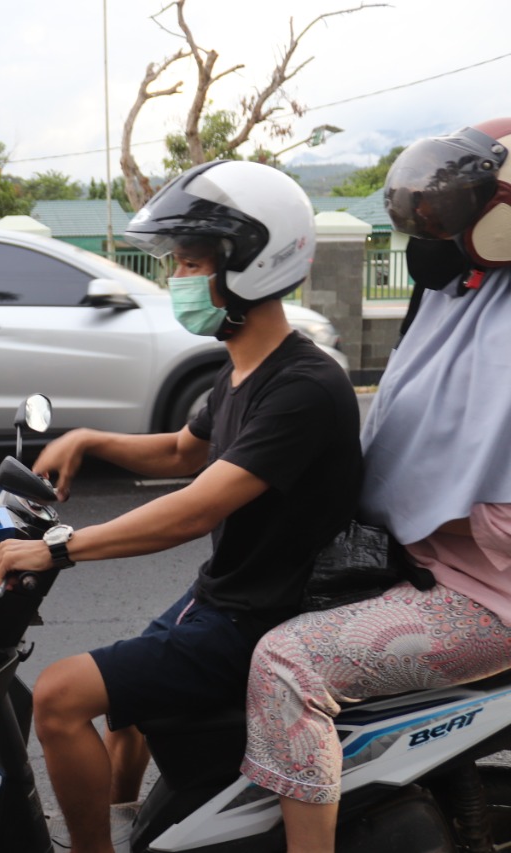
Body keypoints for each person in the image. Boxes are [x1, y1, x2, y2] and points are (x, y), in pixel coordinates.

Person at [0, 160, 363, 853]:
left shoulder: (304, 388)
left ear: (250, 264)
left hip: (266, 617)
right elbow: (185, 453)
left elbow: (195, 506)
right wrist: (92, 439)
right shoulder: (242, 368)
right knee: (124, 700)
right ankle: (131, 821)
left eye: (191, 264)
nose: (176, 280)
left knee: (60, 696)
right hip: (228, 595)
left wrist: (58, 546)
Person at [242, 117, 511, 853]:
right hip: (415, 557)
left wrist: (444, 518)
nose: (431, 231)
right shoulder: (457, 298)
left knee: (287, 665)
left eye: (450, 212)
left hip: (488, 593)